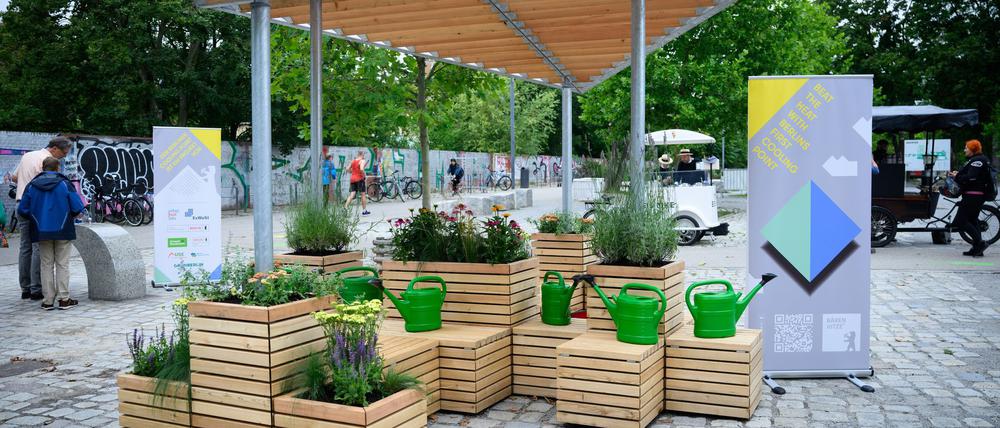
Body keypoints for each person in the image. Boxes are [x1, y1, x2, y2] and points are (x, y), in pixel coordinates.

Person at [17, 157, 84, 310]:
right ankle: (64, 299)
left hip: (41, 230)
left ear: (42, 167)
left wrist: (35, 217)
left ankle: (48, 300)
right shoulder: (65, 183)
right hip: (63, 228)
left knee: (46, 264)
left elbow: (22, 209)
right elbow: (77, 206)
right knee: (62, 264)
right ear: (57, 168)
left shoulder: (32, 185)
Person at [11, 137, 72, 300]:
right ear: (54, 148)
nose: (63, 157)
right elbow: (47, 184)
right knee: (39, 246)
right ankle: (36, 289)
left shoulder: (27, 156)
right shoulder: (46, 160)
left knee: (25, 247)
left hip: (20, 203)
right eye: (63, 153)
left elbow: (15, 178)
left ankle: (25, 287)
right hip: (37, 207)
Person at [949, 140, 993, 257]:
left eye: (966, 148)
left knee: (960, 221)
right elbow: (973, 175)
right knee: (973, 221)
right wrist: (958, 174)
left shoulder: (977, 161)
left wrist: (957, 176)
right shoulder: (978, 159)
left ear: (972, 149)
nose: (964, 150)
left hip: (973, 195)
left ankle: (980, 244)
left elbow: (971, 177)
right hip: (975, 195)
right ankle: (977, 249)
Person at [343, 150, 369, 215]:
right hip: (360, 179)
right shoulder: (362, 161)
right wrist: (364, 175)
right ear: (362, 154)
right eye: (364, 155)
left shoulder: (353, 161)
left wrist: (352, 172)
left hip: (352, 179)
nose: (364, 156)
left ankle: (345, 207)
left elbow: (347, 169)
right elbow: (361, 169)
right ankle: (364, 211)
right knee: (363, 194)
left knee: (352, 194)